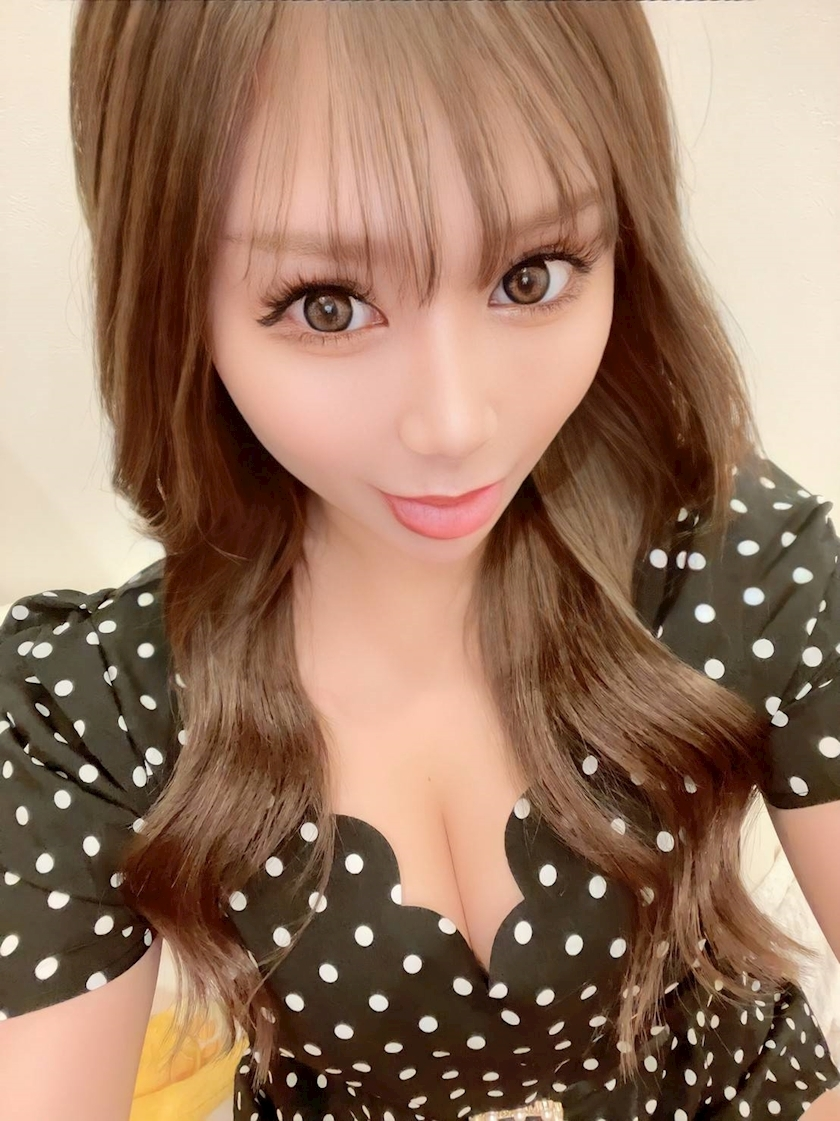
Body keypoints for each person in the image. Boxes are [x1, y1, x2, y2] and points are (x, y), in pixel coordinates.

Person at [1, 3, 838, 1119]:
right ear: (175, 299)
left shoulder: (736, 562)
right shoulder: (91, 712)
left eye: (532, 274)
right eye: (328, 304)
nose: (455, 423)